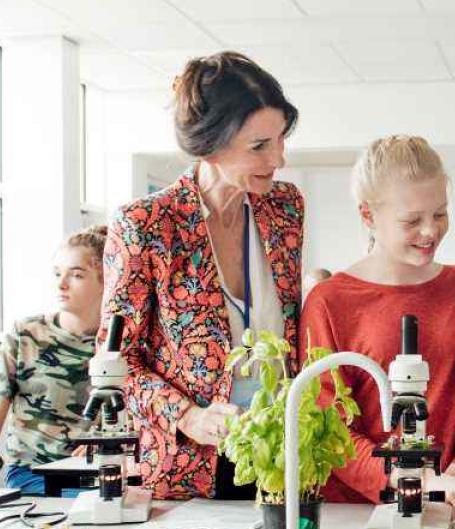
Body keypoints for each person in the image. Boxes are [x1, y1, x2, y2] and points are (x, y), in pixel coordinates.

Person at [101, 51, 305, 499]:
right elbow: (117, 363)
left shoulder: (285, 208)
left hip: (276, 452)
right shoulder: (147, 224)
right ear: (209, 145)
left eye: (280, 140)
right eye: (259, 146)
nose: (279, 159)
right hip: (189, 463)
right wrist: (189, 416)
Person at [300, 136, 455, 519]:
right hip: (354, 515)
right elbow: (328, 427)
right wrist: (413, 480)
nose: (430, 231)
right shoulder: (329, 301)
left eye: (440, 214)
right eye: (411, 220)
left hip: (452, 504)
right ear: (368, 215)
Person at [0, 226, 107, 494]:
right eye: (57, 273)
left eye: (76, 275)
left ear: (106, 280)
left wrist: (108, 447)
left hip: (100, 474)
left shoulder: (121, 344)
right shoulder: (25, 335)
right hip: (33, 474)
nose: (61, 283)